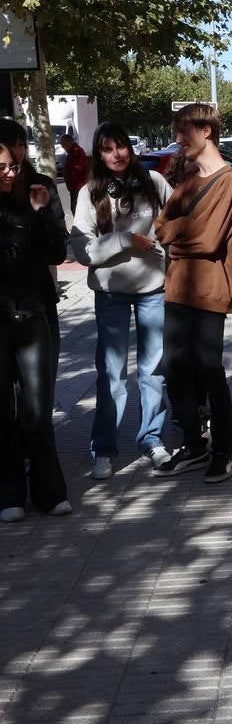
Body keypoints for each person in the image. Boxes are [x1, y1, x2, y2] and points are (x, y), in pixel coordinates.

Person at [69, 122, 173, 479]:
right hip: (110, 293)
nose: (117, 155)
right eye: (108, 149)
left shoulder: (154, 182)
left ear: (131, 147)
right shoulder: (90, 193)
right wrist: (126, 240)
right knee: (111, 373)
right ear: (99, 155)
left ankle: (152, 439)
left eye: (121, 146)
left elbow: (177, 223)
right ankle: (104, 448)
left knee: (154, 371)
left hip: (153, 290)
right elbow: (82, 251)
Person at [153, 103, 232, 484]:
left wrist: (177, 237)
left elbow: (210, 241)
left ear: (206, 131)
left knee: (209, 368)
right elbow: (161, 227)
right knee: (175, 367)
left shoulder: (228, 181)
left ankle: (224, 449)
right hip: (177, 287)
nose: (179, 139)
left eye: (185, 131)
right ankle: (194, 443)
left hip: (210, 289)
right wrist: (180, 234)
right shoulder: (189, 181)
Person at [0, 139, 71, 521]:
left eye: (13, 163)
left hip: (31, 314)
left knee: (37, 410)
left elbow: (55, 254)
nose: (12, 172)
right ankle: (10, 493)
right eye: (4, 167)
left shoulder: (35, 193)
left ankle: (50, 491)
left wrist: (39, 215)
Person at [0, 119, 66, 386]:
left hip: (36, 302)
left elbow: (57, 249)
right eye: (10, 146)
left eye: (20, 146)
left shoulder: (40, 186)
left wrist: (38, 215)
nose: (18, 154)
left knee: (38, 398)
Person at [60, 134, 90, 212]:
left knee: (77, 210)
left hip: (77, 188)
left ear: (69, 142)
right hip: (75, 188)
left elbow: (78, 171)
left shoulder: (77, 152)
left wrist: (76, 186)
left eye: (63, 144)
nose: (62, 146)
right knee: (75, 209)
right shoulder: (72, 152)